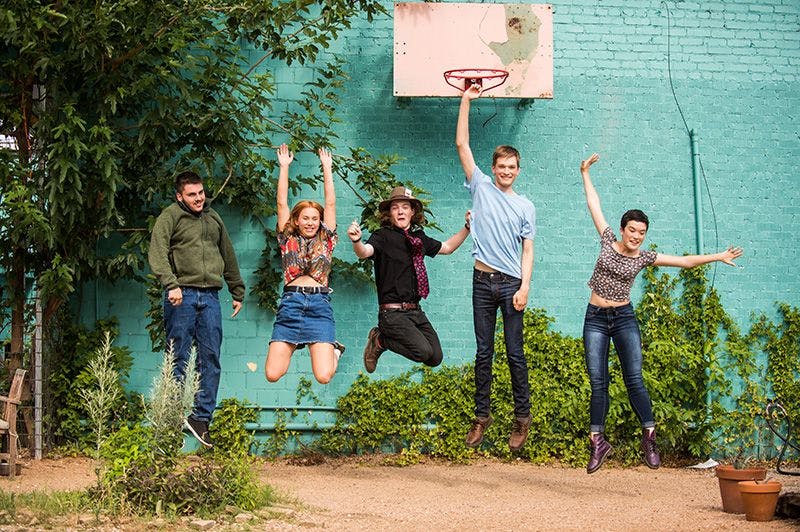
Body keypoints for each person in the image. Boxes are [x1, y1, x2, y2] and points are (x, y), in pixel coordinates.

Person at [580, 152, 743, 473]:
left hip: (624, 318)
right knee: (598, 381)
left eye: (642, 232)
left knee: (634, 379)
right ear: (623, 229)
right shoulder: (607, 240)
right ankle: (598, 442)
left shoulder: (644, 257)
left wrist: (718, 256)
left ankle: (649, 436)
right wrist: (585, 172)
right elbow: (593, 205)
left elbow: (684, 262)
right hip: (595, 319)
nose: (637, 236)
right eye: (632, 230)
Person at [455, 84, 536, 452]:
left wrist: (525, 287)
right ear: (492, 168)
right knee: (483, 351)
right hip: (481, 280)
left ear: (518, 170)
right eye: (501, 166)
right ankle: (481, 417)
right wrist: (467, 100)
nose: (506, 171)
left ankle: (522, 418)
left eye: (512, 167)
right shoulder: (481, 187)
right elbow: (462, 145)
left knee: (514, 352)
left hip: (511, 285)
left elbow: (528, 250)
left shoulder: (525, 206)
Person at [148, 170, 245, 448]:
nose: (199, 198)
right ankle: (171, 417)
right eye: (192, 194)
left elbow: (228, 254)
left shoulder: (213, 218)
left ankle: (200, 418)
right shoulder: (170, 216)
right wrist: (171, 284)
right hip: (182, 295)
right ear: (180, 196)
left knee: (210, 358)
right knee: (177, 358)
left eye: (201, 193)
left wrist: (236, 290)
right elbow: (157, 253)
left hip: (211, 296)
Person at [348, 186, 471, 372]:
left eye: (405, 207)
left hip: (415, 311)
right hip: (392, 313)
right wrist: (357, 241)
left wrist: (468, 228)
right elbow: (365, 252)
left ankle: (382, 339)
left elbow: (447, 248)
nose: (400, 211)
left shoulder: (418, 238)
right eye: (395, 207)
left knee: (435, 357)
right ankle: (380, 340)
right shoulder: (382, 236)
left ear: (412, 211)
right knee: (422, 352)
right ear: (390, 213)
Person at [265, 144, 344, 385]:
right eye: (305, 218)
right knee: (272, 374)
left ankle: (335, 350)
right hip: (291, 304)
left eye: (314, 218)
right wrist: (284, 167)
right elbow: (281, 204)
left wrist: (327, 168)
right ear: (297, 221)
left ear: (320, 221)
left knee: (323, 376)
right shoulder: (287, 239)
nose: (310, 222)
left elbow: (330, 204)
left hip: (319, 306)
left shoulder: (326, 239)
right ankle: (299, 341)